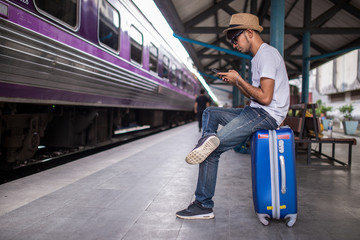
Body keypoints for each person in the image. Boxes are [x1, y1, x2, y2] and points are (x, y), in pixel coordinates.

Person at [176, 13, 290, 219]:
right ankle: (206, 140)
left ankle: (203, 205)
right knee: (210, 112)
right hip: (256, 111)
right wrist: (236, 82)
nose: (234, 44)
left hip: (266, 115)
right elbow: (256, 96)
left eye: (235, 39)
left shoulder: (266, 55)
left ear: (249, 33)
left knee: (211, 152)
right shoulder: (259, 57)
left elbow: (265, 98)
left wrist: (239, 79)